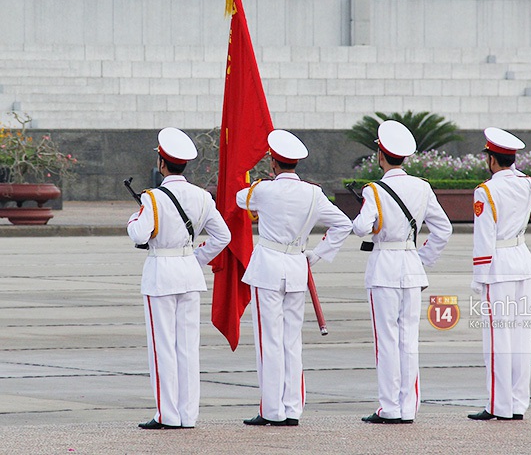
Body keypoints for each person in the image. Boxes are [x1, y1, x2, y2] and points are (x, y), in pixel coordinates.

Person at [236, 129, 352, 427]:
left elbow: (239, 199)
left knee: (269, 341)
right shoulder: (313, 192)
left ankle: (271, 409)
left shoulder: (262, 190)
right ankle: (292, 408)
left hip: (268, 269)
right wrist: (318, 253)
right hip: (297, 267)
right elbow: (343, 224)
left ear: (274, 162)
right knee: (291, 342)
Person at [127, 127, 231, 430]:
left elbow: (139, 233)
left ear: (162, 163)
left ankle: (167, 415)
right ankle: (188, 415)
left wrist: (134, 217)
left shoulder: (153, 198)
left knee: (163, 346)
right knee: (188, 347)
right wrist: (196, 258)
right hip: (189, 273)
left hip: (161, 273)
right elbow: (222, 236)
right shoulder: (201, 196)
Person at [352, 120, 452, 424]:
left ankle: (389, 407)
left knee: (387, 339)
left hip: (384, 266)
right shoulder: (422, 187)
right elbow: (443, 229)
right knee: (409, 340)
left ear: (381, 154)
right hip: (411, 266)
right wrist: (423, 258)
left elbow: (360, 228)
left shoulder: (374, 190)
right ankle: (408, 407)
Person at [468, 127, 531, 422]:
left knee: (497, 339)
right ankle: (516, 403)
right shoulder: (527, 184)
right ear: (512, 159)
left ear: (491, 159)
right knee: (520, 337)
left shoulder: (486, 191)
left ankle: (497, 405)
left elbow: (483, 237)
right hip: (522, 261)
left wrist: (479, 276)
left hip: (497, 266)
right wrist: (515, 171)